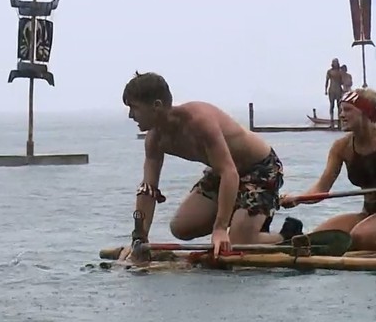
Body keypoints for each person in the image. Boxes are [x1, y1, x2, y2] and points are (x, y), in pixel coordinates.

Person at [118, 71, 301, 260]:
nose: (131, 115)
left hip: (260, 169)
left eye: (134, 108)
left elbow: (229, 172)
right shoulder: (154, 140)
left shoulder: (199, 121)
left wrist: (220, 229)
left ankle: (287, 235)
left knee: (237, 242)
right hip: (222, 174)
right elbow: (148, 189)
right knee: (181, 228)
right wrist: (139, 238)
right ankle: (246, 216)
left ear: (156, 106)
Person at [281, 89, 376, 251]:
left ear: (365, 113)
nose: (341, 115)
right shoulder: (341, 147)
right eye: (341, 110)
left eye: (347, 110)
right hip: (368, 213)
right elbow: (321, 189)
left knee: (358, 238)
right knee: (314, 241)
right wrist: (298, 198)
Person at [325, 58, 345, 127]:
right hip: (331, 90)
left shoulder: (340, 72)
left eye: (336, 62)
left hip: (338, 90)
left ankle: (339, 122)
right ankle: (331, 121)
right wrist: (325, 89)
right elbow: (327, 81)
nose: (335, 64)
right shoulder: (329, 72)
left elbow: (343, 81)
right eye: (334, 62)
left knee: (339, 106)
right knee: (332, 106)